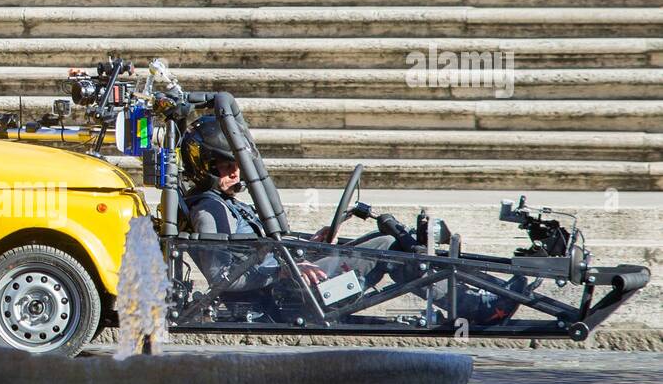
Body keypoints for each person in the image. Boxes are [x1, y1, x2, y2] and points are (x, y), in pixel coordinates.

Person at [180, 115, 522, 324]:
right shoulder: (210, 210)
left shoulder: (224, 203)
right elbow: (223, 277)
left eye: (236, 165)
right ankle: (479, 308)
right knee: (392, 250)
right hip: (289, 297)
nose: (235, 173)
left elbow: (256, 251)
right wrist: (286, 268)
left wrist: (307, 249)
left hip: (291, 282)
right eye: (226, 166)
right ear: (204, 166)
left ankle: (480, 297)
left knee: (389, 241)